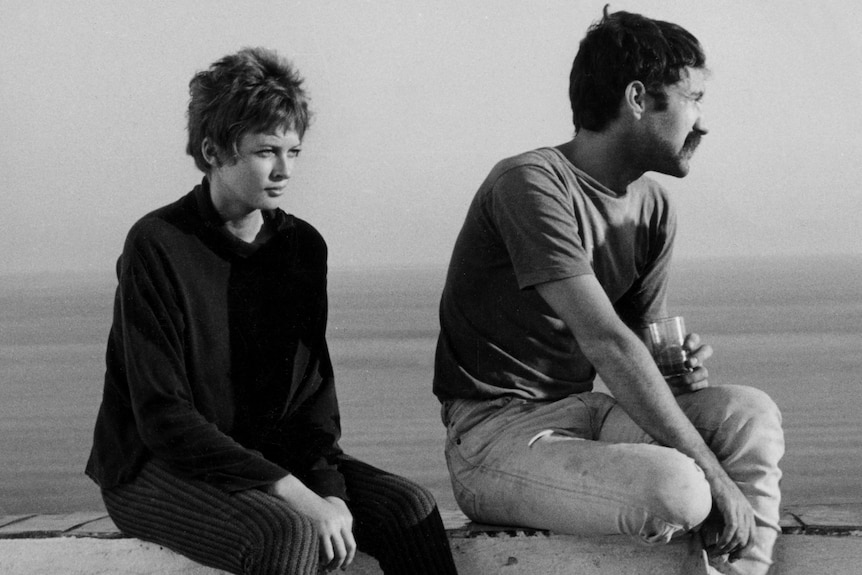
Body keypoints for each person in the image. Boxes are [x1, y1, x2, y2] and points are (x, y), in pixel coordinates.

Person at [433, 8, 783, 575]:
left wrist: (680, 373)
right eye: (693, 98)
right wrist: (719, 480)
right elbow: (608, 342)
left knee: (749, 414)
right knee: (681, 490)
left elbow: (640, 350)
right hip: (497, 436)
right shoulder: (529, 183)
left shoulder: (654, 207)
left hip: (590, 412)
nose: (702, 122)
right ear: (639, 98)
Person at [86, 47, 458, 575]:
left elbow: (311, 396)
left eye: (294, 151)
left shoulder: (302, 248)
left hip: (263, 455)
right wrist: (294, 493)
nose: (284, 170)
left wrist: (328, 491)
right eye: (266, 151)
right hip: (154, 465)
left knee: (410, 510)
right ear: (214, 151)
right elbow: (163, 417)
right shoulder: (158, 243)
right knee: (285, 532)